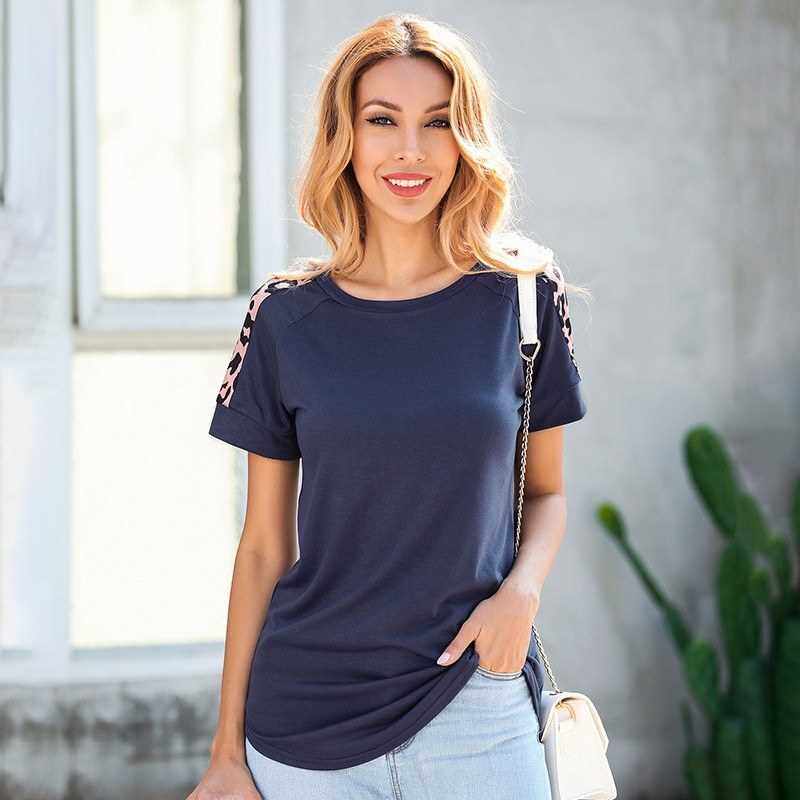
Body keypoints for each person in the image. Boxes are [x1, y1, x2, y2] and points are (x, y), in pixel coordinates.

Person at [187, 12, 589, 800]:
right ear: (345, 138)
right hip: (304, 729)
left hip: (475, 702)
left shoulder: (524, 301)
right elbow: (263, 547)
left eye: (438, 123)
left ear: (465, 141)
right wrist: (226, 752)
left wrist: (521, 592)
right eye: (382, 120)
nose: (411, 150)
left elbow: (546, 492)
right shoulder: (285, 317)